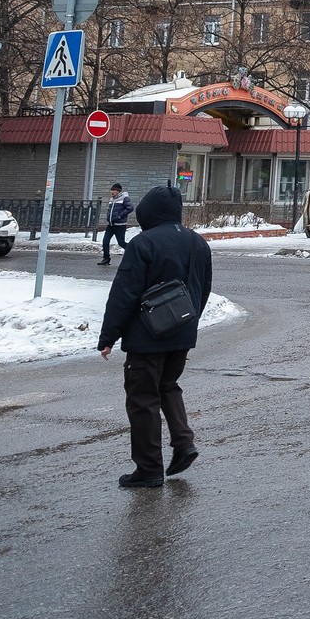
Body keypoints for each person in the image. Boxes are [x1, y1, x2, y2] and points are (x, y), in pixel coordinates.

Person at [98, 185, 213, 488]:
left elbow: (125, 292)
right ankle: (184, 442)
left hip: (146, 337)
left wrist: (109, 335)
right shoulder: (198, 243)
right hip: (183, 332)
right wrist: (189, 323)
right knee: (168, 386)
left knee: (143, 399)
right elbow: (203, 289)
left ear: (148, 213)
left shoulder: (143, 243)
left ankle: (148, 469)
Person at [99, 182, 133, 267]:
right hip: (111, 225)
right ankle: (106, 258)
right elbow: (110, 211)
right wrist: (108, 217)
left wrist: (119, 216)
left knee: (121, 243)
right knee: (105, 241)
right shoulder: (112, 199)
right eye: (112, 190)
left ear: (119, 191)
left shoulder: (124, 198)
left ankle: (135, 253)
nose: (112, 192)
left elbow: (130, 208)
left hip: (120, 225)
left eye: (114, 190)